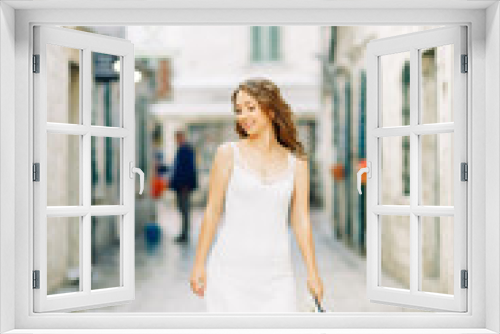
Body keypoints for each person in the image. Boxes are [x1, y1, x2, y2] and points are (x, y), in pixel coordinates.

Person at [189, 77, 324, 312]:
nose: (243, 116)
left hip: (277, 275)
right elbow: (212, 212)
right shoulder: (227, 154)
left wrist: (313, 273)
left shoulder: (297, 162)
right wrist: (199, 265)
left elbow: (301, 220)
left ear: (271, 110)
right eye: (238, 110)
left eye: (251, 108)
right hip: (230, 271)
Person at [166, 129, 198, 244]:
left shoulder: (186, 150)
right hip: (180, 186)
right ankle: (184, 233)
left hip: (184, 186)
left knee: (184, 210)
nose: (177, 140)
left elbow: (189, 169)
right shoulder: (181, 150)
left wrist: (186, 185)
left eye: (178, 138)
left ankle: (185, 234)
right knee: (182, 209)